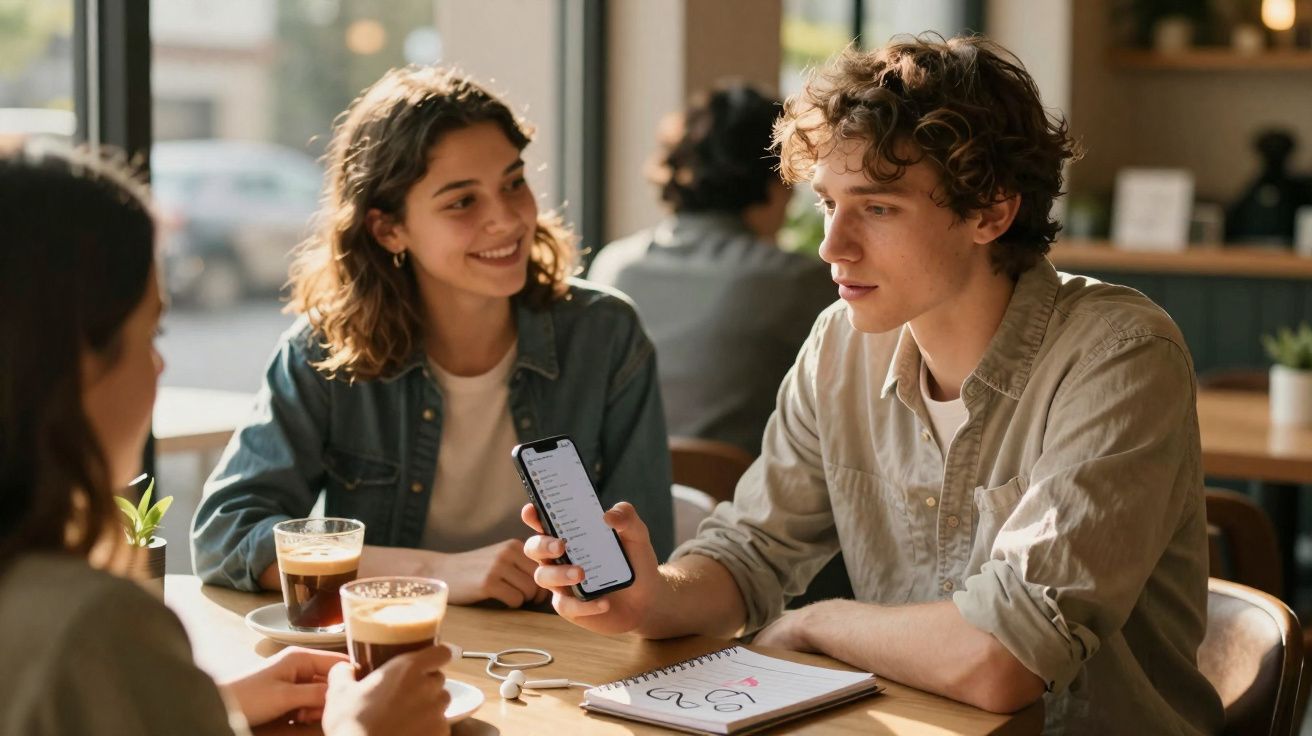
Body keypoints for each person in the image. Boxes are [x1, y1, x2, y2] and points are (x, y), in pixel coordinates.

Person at [523, 35, 1224, 735]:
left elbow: (1003, 659)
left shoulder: (1121, 354)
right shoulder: (840, 342)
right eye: (827, 204)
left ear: (991, 212)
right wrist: (649, 595)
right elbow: (751, 554)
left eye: (878, 208)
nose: (831, 245)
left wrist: (818, 624)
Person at [0, 146, 451, 735]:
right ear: (77, 360)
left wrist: (197, 704)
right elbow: (227, 531)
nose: (160, 365)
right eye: (152, 331)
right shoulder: (93, 626)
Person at [191, 66, 675, 605]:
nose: (507, 219)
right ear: (388, 228)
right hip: (393, 648)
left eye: (513, 182)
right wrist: (434, 572)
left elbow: (643, 555)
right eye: (462, 202)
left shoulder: (606, 334)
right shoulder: (326, 350)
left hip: (566, 651)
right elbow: (225, 538)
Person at [588, 83, 833, 456]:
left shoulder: (614, 266)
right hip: (742, 501)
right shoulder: (795, 280)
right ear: (775, 181)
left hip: (616, 497)